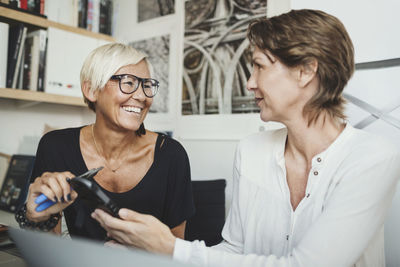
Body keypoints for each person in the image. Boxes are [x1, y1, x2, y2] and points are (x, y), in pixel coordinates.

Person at [91, 9, 400, 267]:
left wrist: (171, 248)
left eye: (259, 66)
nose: (250, 83)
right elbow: (234, 252)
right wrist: (149, 250)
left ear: (306, 71)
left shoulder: (372, 158)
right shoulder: (251, 150)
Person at [16, 43, 195, 242]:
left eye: (147, 85)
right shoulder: (55, 147)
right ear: (91, 89)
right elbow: (48, 249)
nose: (142, 96)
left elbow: (179, 250)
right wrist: (37, 216)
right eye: (128, 82)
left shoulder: (171, 155)